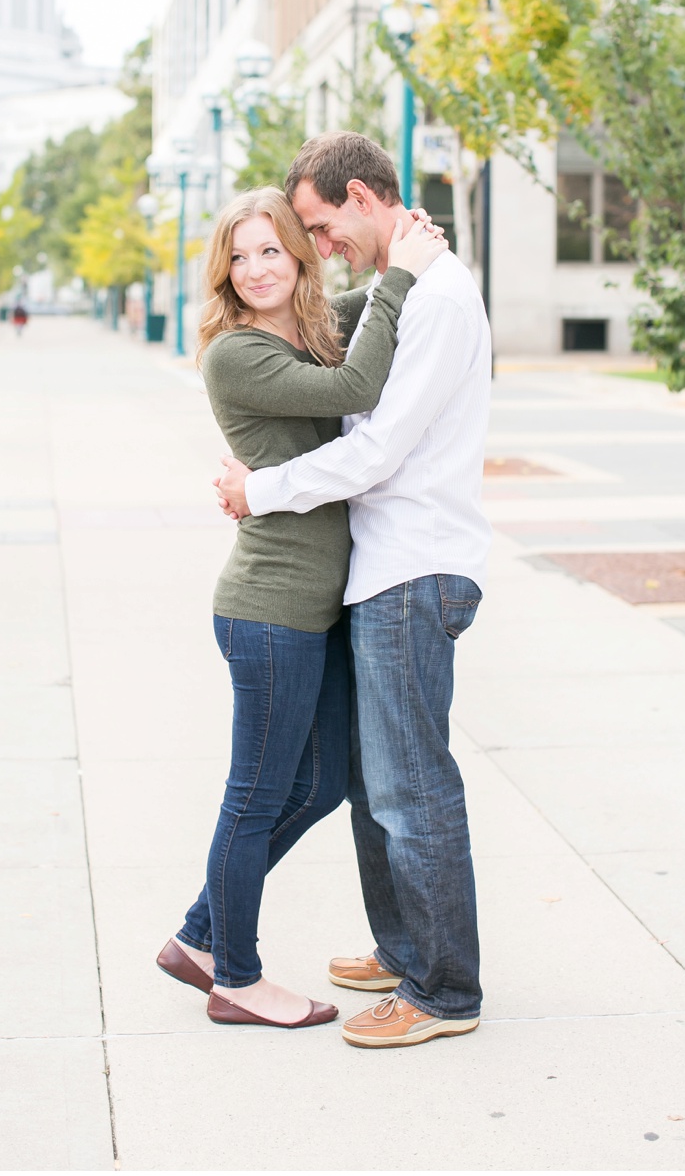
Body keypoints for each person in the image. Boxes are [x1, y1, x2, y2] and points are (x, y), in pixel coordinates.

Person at [214, 132, 494, 1051]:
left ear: (367, 198)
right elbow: (341, 335)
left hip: (413, 568)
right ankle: (407, 946)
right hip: (383, 570)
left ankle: (443, 989)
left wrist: (260, 489)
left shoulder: (438, 298)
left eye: (323, 227)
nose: (318, 247)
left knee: (412, 790)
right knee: (381, 786)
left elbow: (377, 449)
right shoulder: (405, 287)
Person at [156, 185, 445, 1030]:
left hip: (307, 612)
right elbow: (358, 377)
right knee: (254, 794)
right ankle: (234, 978)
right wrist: (400, 281)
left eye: (271, 250)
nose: (253, 270)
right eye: (238, 257)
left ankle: (201, 935)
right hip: (269, 610)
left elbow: (348, 307)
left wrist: (401, 250)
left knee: (316, 786)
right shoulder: (237, 354)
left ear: (298, 253)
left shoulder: (303, 327)